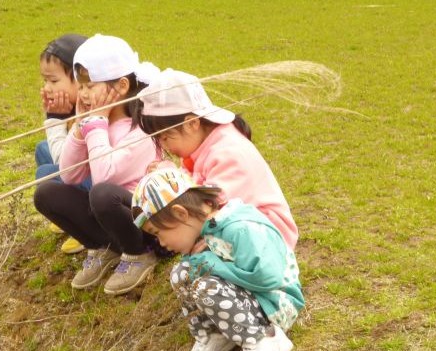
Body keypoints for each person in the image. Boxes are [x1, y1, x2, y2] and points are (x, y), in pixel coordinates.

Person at [33, 34, 161, 295]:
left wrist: (96, 125)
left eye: (90, 86)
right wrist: (80, 128)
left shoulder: (139, 130)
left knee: (102, 194)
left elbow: (104, 179)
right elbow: (69, 175)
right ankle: (104, 248)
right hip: (110, 220)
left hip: (145, 226)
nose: (84, 94)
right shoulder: (97, 124)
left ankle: (139, 255)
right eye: (81, 87)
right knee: (46, 191)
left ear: (122, 86)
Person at [131, 168, 304, 351]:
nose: (161, 242)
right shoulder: (205, 232)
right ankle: (215, 334)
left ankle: (265, 340)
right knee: (181, 273)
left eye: (158, 233)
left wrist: (210, 263)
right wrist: (204, 261)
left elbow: (268, 278)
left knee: (205, 287)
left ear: (181, 214)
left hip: (275, 303)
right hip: (251, 299)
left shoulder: (239, 228)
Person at [136, 69, 299, 249]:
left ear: (192, 123)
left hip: (269, 236)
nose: (164, 146)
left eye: (165, 137)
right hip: (238, 229)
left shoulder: (228, 151)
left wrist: (168, 179)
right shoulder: (199, 147)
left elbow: (207, 205)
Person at [36, 33, 90, 254]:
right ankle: (70, 212)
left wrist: (55, 120)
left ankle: (85, 226)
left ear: (80, 80)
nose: (47, 87)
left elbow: (65, 163)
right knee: (42, 148)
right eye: (45, 80)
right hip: (84, 172)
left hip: (99, 185)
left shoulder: (91, 110)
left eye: (54, 81)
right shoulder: (79, 104)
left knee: (46, 173)